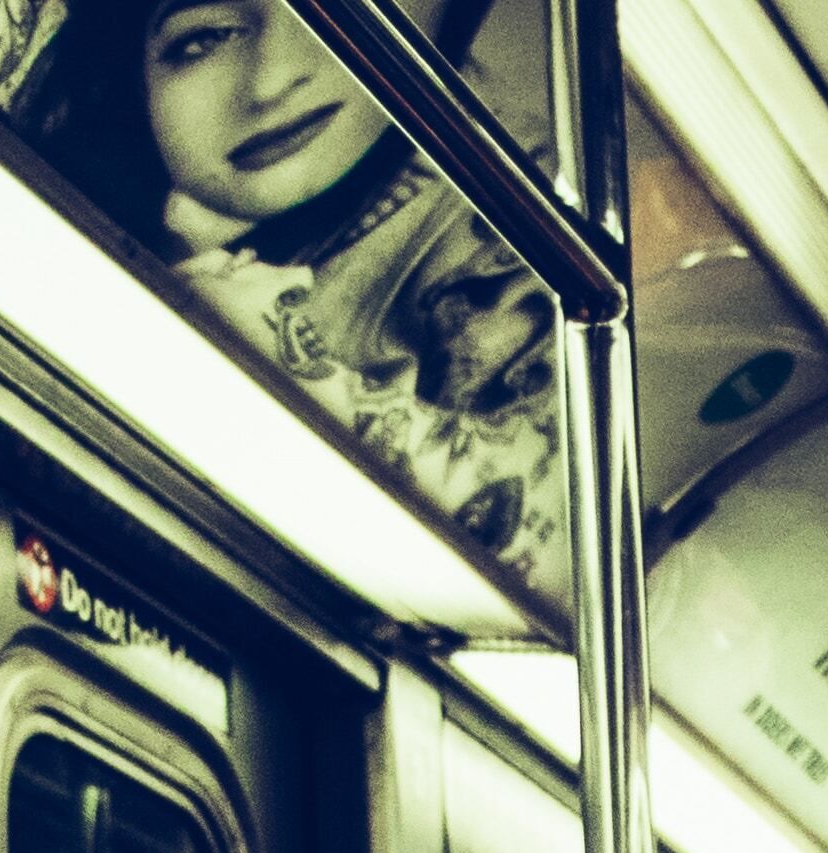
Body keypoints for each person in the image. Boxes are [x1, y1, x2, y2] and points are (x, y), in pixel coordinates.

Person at [112, 0, 565, 573]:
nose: (271, 80)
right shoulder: (122, 210)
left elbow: (543, 561)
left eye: (338, 6)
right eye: (205, 38)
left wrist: (264, 349)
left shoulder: (512, 217)